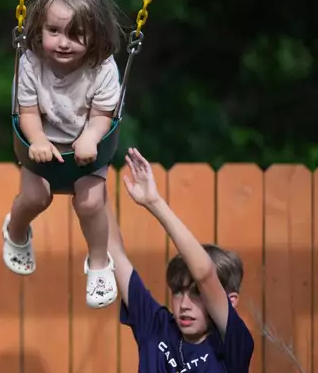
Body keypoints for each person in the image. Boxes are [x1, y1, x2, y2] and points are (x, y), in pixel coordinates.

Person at [1, 0, 122, 309]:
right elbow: (26, 113)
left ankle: (99, 262)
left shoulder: (103, 68)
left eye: (76, 33)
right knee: (35, 196)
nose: (63, 42)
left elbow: (102, 115)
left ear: (96, 33)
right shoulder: (30, 62)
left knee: (91, 202)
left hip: (88, 144)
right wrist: (37, 139)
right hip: (41, 141)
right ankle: (15, 231)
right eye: (54, 30)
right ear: (39, 27)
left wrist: (90, 137)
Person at [107, 147, 254, 372]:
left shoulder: (232, 346)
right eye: (177, 292)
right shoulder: (157, 328)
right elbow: (114, 251)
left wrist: (154, 202)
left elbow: (205, 275)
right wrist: (91, 175)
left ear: (230, 301)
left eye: (198, 293)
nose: (184, 305)